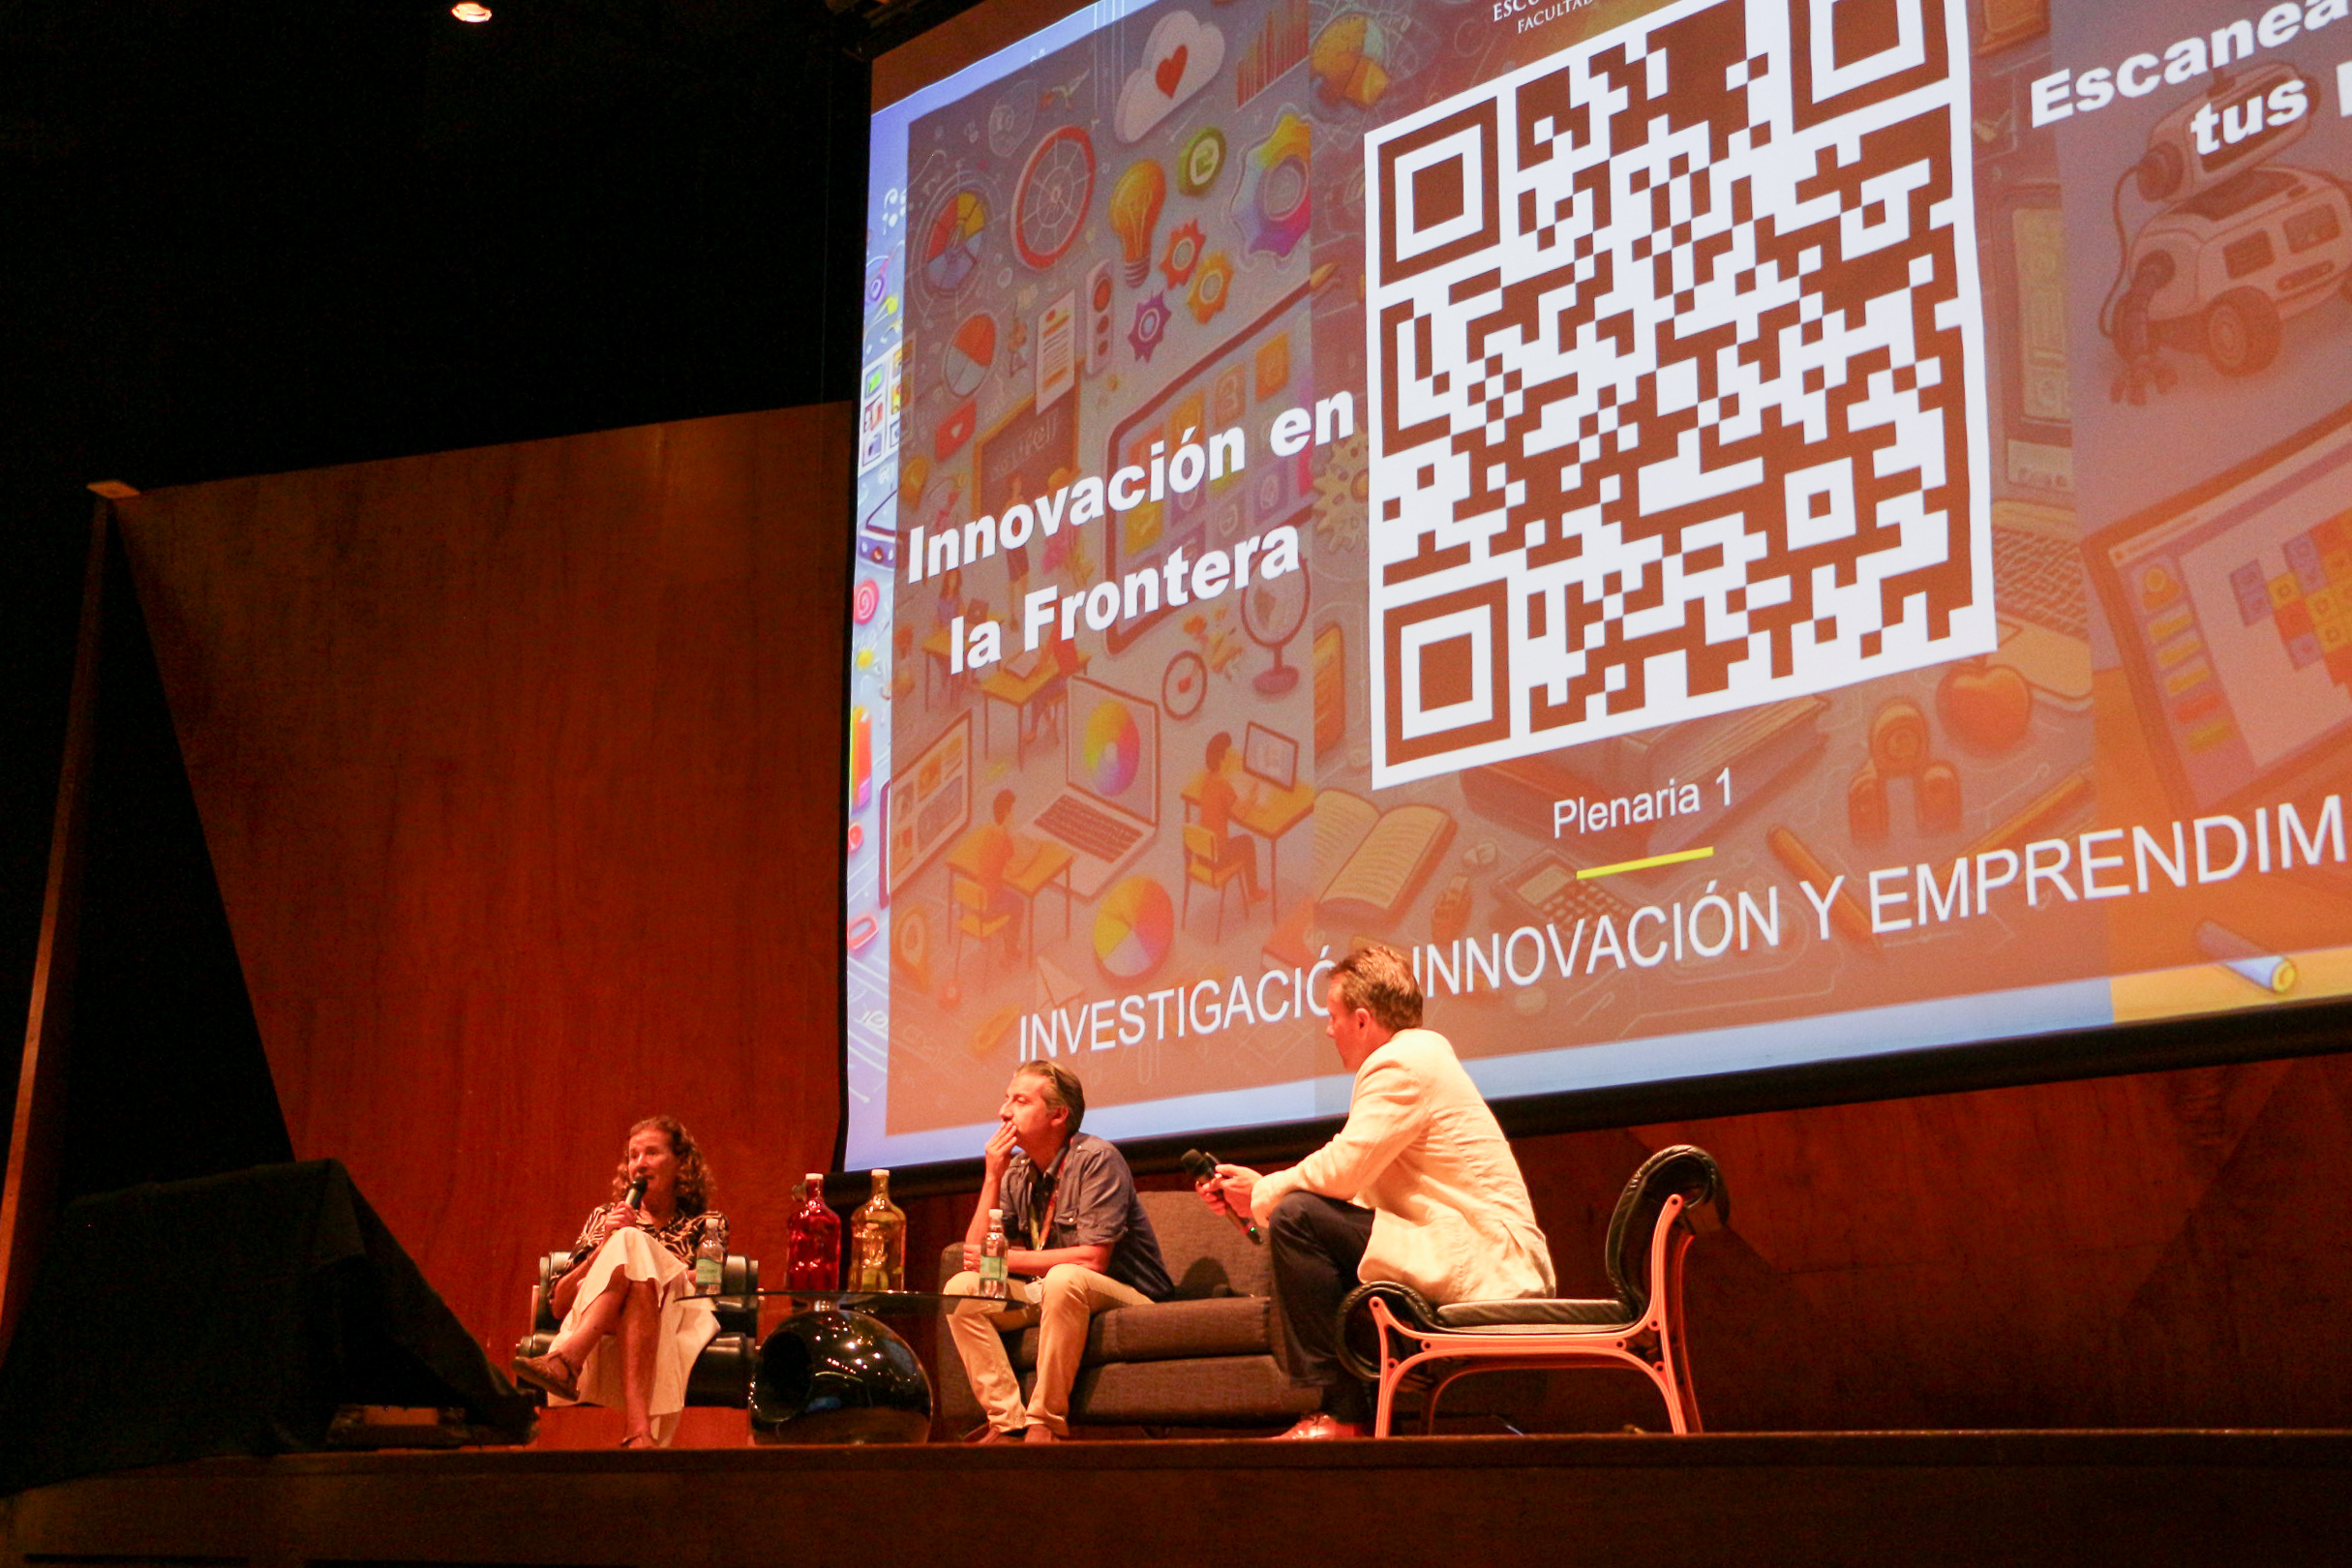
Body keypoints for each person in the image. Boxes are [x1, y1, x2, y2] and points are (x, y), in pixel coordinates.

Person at [1201, 943, 1554, 1438]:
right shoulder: (1416, 1059)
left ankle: (1342, 1415)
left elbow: (1342, 1169)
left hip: (1490, 1261)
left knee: (1298, 1216)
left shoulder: (1401, 1064)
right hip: (1469, 1250)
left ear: (1363, 1020)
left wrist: (1265, 1192)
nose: (1329, 1030)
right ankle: (1357, 1411)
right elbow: (1352, 1193)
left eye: (1333, 1016)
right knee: (1300, 1219)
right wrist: (1257, 1205)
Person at [942, 1061, 1174, 1442]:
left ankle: (1045, 1423)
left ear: (1058, 1115)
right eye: (1006, 1099)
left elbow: (1093, 1259)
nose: (1004, 1112)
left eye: (1020, 1101)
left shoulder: (1096, 1159)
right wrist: (993, 1175)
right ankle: (1007, 1422)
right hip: (1054, 1291)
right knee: (961, 1290)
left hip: (1127, 1294)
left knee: (1065, 1278)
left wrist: (1006, 1260)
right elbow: (977, 1256)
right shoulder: (1018, 1170)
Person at [510, 1116, 726, 1449]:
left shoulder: (706, 1223)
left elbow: (709, 1283)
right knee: (630, 1255)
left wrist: (647, 1261)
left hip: (674, 1315)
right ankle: (639, 1433)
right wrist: (603, 1248)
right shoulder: (604, 1218)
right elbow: (559, 1303)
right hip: (610, 1318)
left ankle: (568, 1359)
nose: (640, 1164)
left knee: (635, 1254)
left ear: (681, 1163)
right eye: (633, 1156)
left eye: (651, 1153)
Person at [1192, 731, 1266, 903]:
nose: (1233, 758)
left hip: (1201, 854)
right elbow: (1240, 813)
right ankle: (1253, 892)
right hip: (1216, 858)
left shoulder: (1206, 779)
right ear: (1222, 759)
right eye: (1229, 755)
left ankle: (1253, 891)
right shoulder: (1223, 787)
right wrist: (1252, 797)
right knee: (1247, 842)